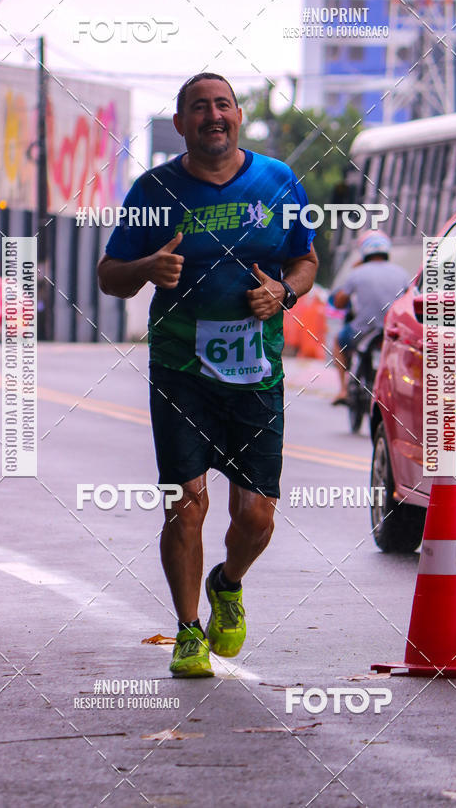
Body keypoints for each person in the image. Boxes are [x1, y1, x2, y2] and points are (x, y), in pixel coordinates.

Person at [97, 73, 318, 677]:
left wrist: (284, 291)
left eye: (222, 105)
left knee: (255, 516)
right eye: (200, 108)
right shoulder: (154, 188)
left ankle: (229, 581)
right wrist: (148, 265)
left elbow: (305, 260)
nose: (213, 116)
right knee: (185, 505)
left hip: (256, 373)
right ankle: (188, 630)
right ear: (181, 124)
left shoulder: (278, 181)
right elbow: (108, 274)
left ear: (239, 115)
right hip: (180, 369)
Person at [330, 231, 410, 405]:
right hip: (391, 332)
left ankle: (343, 390)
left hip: (361, 331)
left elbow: (339, 302)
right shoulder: (402, 274)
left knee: (338, 341)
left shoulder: (357, 273)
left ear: (364, 252)